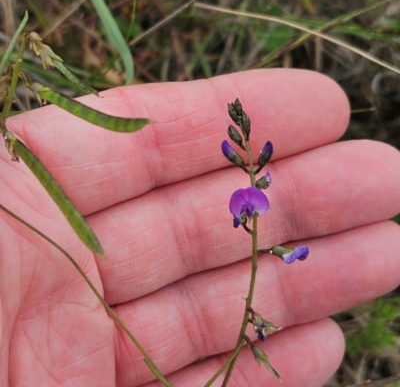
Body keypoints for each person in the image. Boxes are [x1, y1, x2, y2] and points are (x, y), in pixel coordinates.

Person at [1, 69, 400, 387]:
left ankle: (260, 316)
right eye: (247, 212)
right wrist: (248, 211)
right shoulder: (250, 205)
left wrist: (261, 224)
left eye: (249, 212)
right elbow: (247, 206)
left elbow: (252, 203)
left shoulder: (255, 200)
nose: (247, 216)